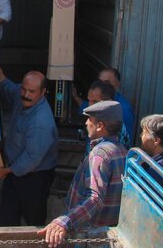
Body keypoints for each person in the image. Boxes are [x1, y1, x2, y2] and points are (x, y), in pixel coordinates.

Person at [38, 101, 127, 247]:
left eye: (89, 119)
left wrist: (65, 221)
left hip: (91, 236)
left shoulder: (100, 155)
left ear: (99, 126)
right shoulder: (121, 150)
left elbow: (94, 199)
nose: (86, 123)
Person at [0, 51, 58, 226]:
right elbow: (6, 86)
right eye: (24, 89)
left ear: (43, 92)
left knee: (34, 221)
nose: (25, 94)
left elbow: (31, 159)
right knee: (7, 218)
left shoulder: (41, 122)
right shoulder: (22, 96)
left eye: (31, 91)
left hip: (34, 177)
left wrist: (7, 171)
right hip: (15, 171)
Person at [81, 80, 131, 151]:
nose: (89, 105)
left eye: (95, 101)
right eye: (89, 100)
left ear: (108, 101)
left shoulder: (114, 125)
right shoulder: (94, 120)